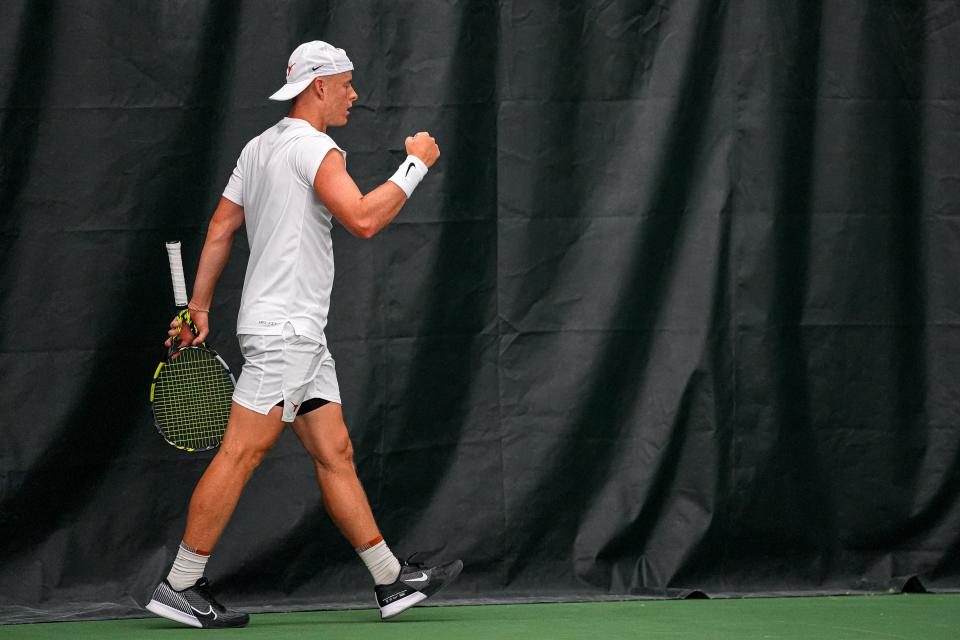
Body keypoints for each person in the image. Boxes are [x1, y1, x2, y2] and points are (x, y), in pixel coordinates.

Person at [145, 40, 462, 629]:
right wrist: (415, 163)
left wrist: (200, 308)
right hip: (286, 333)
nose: (353, 94)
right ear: (319, 86)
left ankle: (390, 580)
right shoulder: (316, 148)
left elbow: (220, 228)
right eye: (346, 84)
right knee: (242, 452)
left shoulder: (258, 148)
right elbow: (364, 218)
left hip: (297, 334)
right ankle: (180, 584)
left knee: (334, 451)